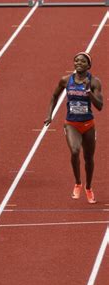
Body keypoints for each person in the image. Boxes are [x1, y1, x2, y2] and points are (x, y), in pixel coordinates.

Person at [44, 52, 103, 203]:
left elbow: (100, 106)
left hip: (88, 124)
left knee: (88, 158)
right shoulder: (65, 80)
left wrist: (89, 92)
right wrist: (49, 115)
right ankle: (78, 183)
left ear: (88, 65)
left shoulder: (95, 82)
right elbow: (54, 97)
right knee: (75, 151)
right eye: (76, 60)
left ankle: (88, 188)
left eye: (82, 61)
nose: (78, 63)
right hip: (71, 124)